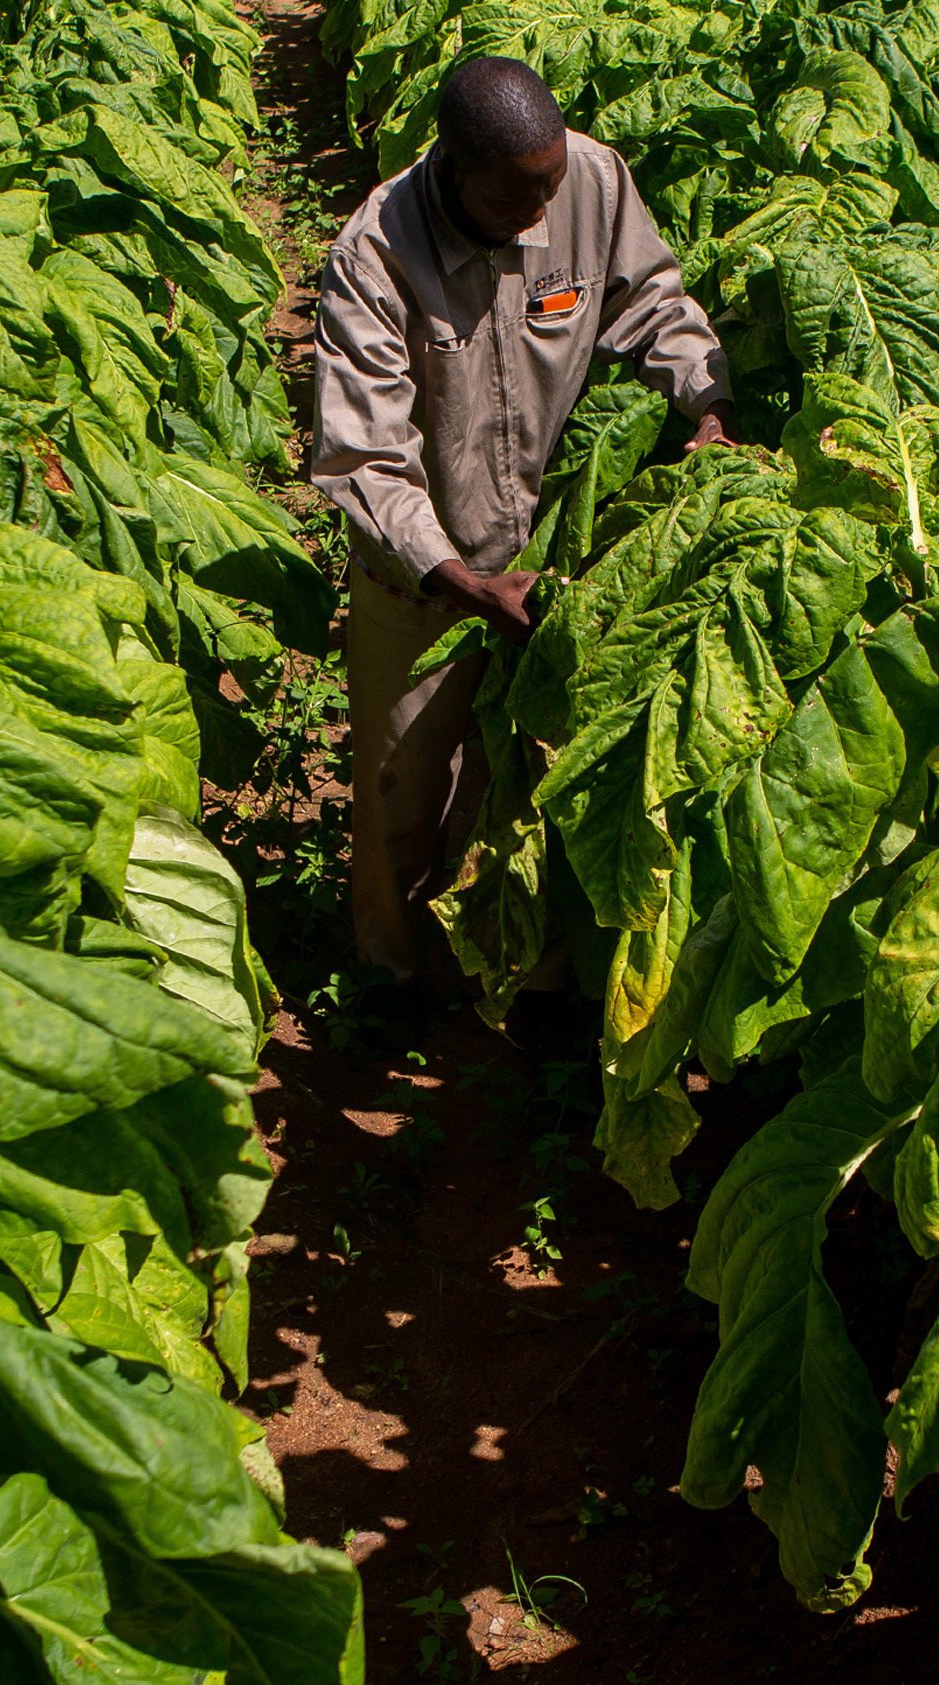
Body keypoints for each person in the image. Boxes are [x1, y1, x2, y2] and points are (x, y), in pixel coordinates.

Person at [307, 54, 740, 987]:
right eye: (515, 198)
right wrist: (464, 582)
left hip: (548, 563)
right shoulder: (375, 256)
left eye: (550, 187)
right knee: (401, 793)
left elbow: (651, 303)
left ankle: (508, 984)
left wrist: (705, 404)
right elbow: (366, 459)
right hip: (421, 577)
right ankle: (391, 983)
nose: (541, 214)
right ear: (450, 166)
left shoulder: (589, 180)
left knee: (525, 786)